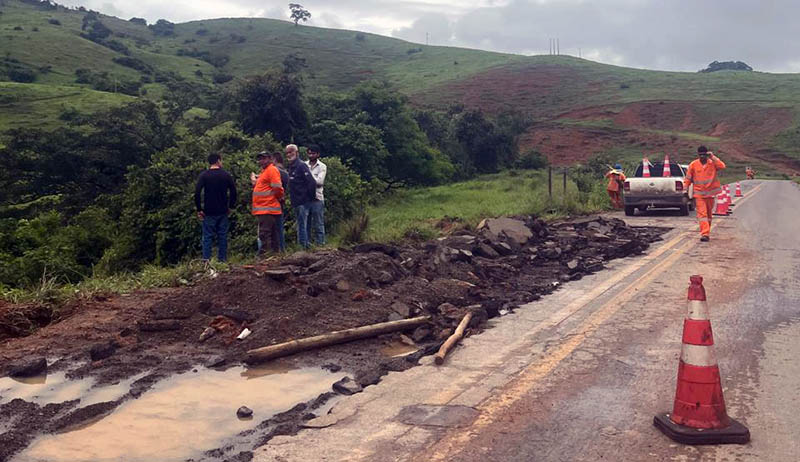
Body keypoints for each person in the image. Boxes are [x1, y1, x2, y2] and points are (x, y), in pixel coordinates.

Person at [194, 153, 237, 262]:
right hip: (223, 210)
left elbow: (197, 193)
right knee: (222, 236)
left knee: (207, 237)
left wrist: (199, 209)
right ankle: (222, 260)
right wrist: (231, 206)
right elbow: (233, 191)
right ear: (218, 161)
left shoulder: (204, 175)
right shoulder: (226, 175)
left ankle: (206, 261)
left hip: (208, 211)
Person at [684, 146, 725, 242]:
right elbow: (688, 179)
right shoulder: (693, 165)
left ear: (707, 154)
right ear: (698, 154)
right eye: (700, 154)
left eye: (704, 154)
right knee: (702, 215)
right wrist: (685, 191)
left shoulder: (712, 163)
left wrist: (713, 157)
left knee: (709, 215)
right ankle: (705, 234)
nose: (702, 156)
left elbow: (722, 166)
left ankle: (707, 231)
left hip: (710, 194)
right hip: (699, 195)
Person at [284, 144, 317, 249]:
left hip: (303, 201)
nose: (289, 155)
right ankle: (305, 246)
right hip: (295, 201)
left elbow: (312, 182)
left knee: (302, 225)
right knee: (302, 225)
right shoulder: (291, 166)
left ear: (297, 152)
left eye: (291, 152)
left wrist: (310, 198)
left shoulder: (301, 165)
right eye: (287, 153)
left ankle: (303, 247)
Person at [252, 151, 284, 255]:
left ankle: (264, 256)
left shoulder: (272, 170)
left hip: (267, 207)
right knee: (273, 235)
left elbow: (277, 187)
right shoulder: (264, 172)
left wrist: (278, 198)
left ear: (270, 159)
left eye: (264, 158)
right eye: (260, 159)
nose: (261, 161)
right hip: (265, 208)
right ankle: (275, 255)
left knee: (264, 234)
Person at [305, 144, 327, 245]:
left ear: (318, 154)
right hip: (306, 198)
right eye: (309, 153)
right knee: (306, 224)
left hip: (317, 198)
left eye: (313, 153)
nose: (311, 155)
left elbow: (320, 182)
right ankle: (307, 245)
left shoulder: (322, 166)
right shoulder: (304, 165)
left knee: (318, 223)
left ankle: (320, 244)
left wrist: (308, 179)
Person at [273, 151, 291, 252]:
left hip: (272, 203)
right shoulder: (286, 173)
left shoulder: (276, 171)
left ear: (274, 160)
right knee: (280, 229)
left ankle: (275, 251)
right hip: (281, 202)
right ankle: (282, 250)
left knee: (270, 230)